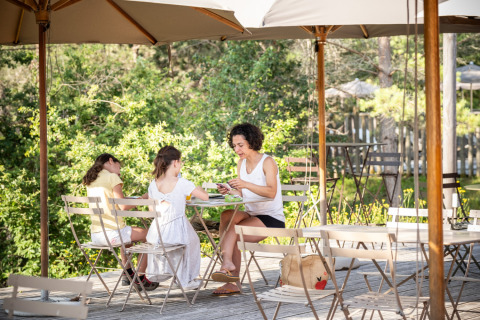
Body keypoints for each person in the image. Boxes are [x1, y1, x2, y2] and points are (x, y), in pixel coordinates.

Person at [212, 123, 285, 296]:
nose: (237, 149)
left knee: (234, 232)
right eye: (234, 145)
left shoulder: (267, 162)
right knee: (227, 215)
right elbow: (243, 193)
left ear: (251, 142)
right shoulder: (241, 163)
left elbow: (271, 192)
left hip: (271, 218)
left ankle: (230, 273)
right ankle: (228, 266)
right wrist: (230, 190)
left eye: (240, 145)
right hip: (252, 213)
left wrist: (245, 184)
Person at [82, 153, 158, 291]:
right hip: (112, 234)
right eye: (119, 166)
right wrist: (143, 198)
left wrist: (132, 199)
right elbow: (122, 206)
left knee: (129, 236)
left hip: (96, 235)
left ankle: (127, 272)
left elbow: (114, 200)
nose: (120, 170)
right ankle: (140, 277)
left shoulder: (92, 179)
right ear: (111, 161)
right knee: (151, 236)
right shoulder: (112, 177)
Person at [146, 146, 209, 289]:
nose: (180, 165)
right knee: (192, 241)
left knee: (186, 241)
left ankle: (178, 277)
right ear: (175, 163)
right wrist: (197, 187)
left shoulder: (153, 184)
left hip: (156, 233)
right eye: (181, 162)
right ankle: (186, 280)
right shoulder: (182, 182)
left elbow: (151, 209)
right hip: (176, 231)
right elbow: (205, 197)